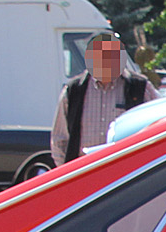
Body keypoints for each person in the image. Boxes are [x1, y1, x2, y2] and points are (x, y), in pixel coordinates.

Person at [53, 34, 157, 163]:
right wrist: (68, 174)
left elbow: (160, 129)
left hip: (127, 172)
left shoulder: (140, 87)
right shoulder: (74, 90)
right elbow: (59, 140)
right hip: (85, 172)